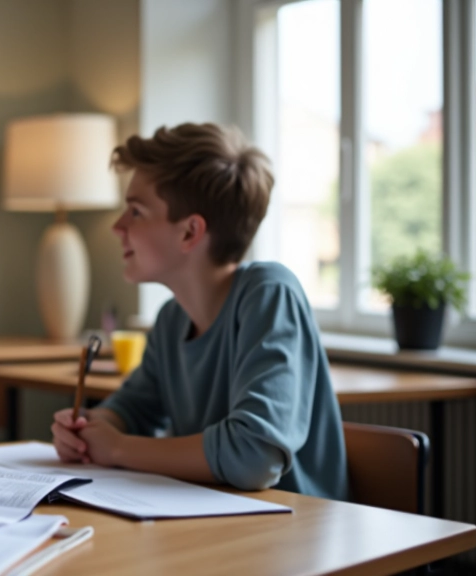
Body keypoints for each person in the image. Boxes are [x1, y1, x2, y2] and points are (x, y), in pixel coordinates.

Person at [51, 123, 347, 500]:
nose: (117, 227)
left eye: (136, 211)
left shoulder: (270, 293)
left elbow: (254, 456)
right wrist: (91, 429)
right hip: (219, 524)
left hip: (295, 534)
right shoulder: (173, 319)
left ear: (190, 232)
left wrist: (119, 449)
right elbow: (133, 410)